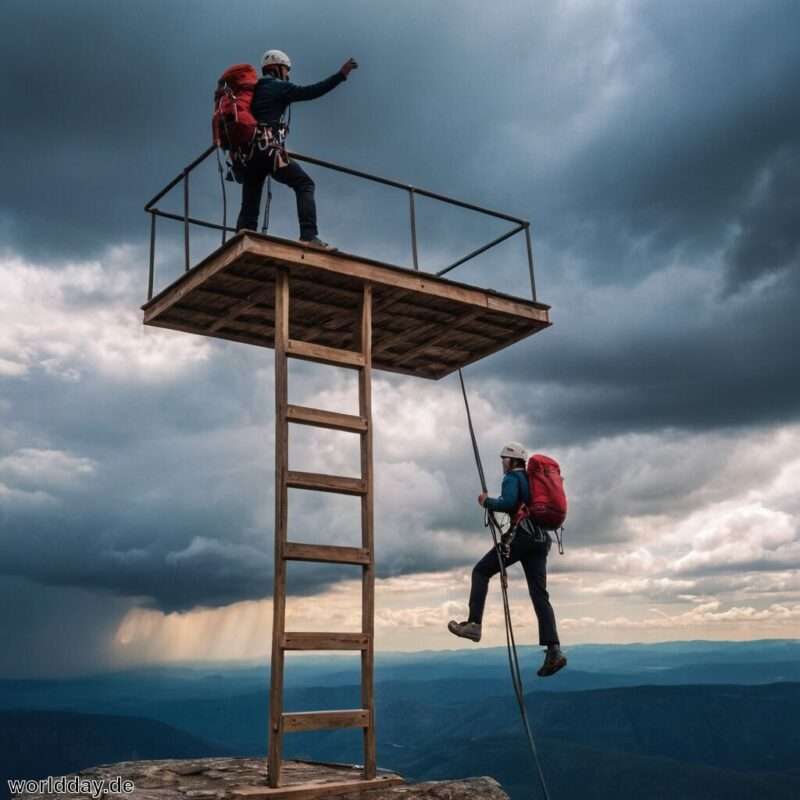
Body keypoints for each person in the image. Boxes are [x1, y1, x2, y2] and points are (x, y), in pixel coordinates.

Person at [448, 442, 567, 677]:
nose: (503, 463)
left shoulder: (513, 477)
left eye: (504, 459)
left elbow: (509, 502)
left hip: (522, 536)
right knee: (540, 594)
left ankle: (474, 624)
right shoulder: (534, 482)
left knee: (481, 571)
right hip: (541, 539)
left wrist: (487, 502)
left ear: (513, 461)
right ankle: (554, 649)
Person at [235, 49, 358, 248]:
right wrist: (341, 75)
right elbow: (311, 91)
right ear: (276, 68)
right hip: (268, 151)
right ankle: (309, 236)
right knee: (304, 184)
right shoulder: (278, 87)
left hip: (249, 155)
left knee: (250, 205)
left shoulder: (253, 91)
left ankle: (241, 240)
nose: (288, 74)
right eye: (286, 69)